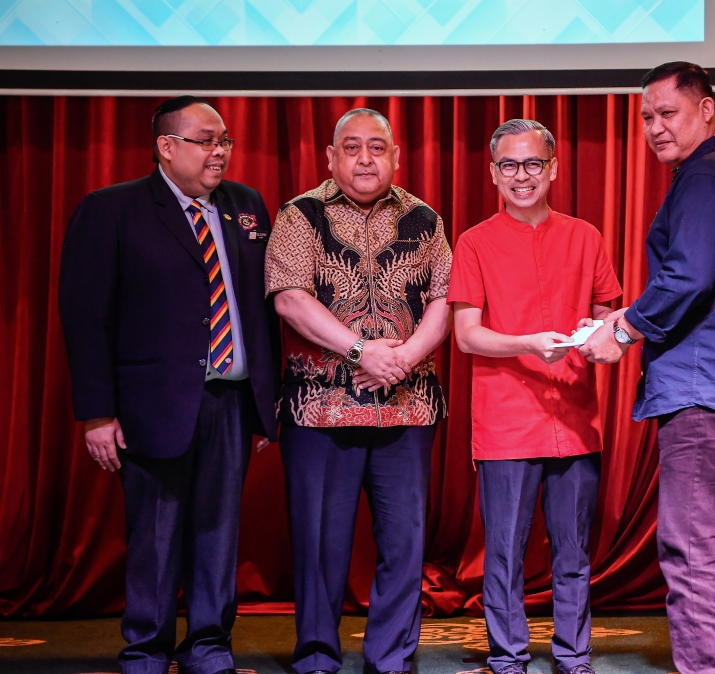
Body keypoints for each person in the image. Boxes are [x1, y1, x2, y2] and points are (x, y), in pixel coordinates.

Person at [580, 62, 715, 673]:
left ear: (707, 110)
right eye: (646, 116)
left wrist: (622, 329)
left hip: (709, 398)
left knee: (698, 554)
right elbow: (713, 281)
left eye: (667, 113)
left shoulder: (705, 178)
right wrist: (631, 314)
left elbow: (690, 278)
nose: (654, 127)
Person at [58, 96, 281, 674]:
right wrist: (97, 412)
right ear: (166, 146)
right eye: (206, 140)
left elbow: (262, 311)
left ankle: (209, 644)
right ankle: (146, 648)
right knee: (155, 534)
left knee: (219, 531)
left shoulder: (246, 206)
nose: (220, 151)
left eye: (225, 140)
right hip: (149, 406)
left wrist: (263, 403)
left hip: (230, 400)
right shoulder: (112, 210)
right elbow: (86, 317)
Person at [264, 108, 452, 674]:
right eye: (352, 147)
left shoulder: (425, 219)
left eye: (378, 147)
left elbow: (447, 299)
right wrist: (361, 351)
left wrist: (404, 358)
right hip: (320, 410)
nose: (365, 158)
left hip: (408, 407)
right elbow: (290, 298)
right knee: (320, 545)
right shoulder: (300, 216)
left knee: (404, 542)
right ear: (330, 156)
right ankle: (318, 655)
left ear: (396, 156)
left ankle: (391, 656)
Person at [448, 119, 623, 674]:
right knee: (503, 553)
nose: (521, 176)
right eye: (509, 166)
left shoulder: (585, 236)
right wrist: (526, 342)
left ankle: (575, 657)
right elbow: (466, 333)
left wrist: (604, 337)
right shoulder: (474, 242)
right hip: (505, 421)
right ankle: (508, 658)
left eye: (532, 165)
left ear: (552, 168)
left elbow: (607, 313)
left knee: (573, 552)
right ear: (493, 174)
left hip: (573, 416)